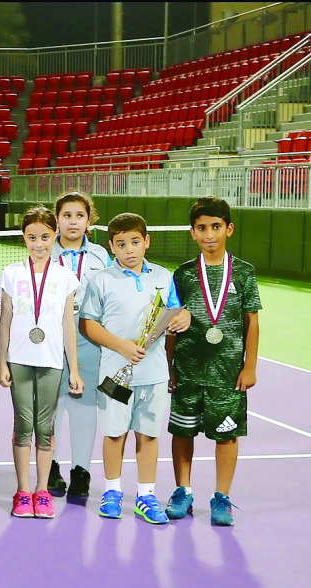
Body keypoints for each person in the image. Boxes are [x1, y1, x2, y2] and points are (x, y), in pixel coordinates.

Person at [80, 212, 190, 524]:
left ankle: (145, 495)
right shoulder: (101, 280)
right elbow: (88, 324)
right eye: (121, 244)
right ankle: (112, 491)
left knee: (148, 434)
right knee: (114, 434)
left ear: (146, 242)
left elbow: (175, 312)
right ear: (112, 247)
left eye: (135, 242)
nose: (129, 249)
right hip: (115, 374)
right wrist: (121, 345)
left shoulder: (163, 276)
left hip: (153, 375)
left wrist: (185, 319)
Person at [166, 197, 261, 526]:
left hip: (228, 372)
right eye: (202, 228)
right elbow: (170, 323)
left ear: (229, 229)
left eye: (216, 227)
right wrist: (169, 367)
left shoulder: (245, 273)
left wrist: (250, 366)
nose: (209, 234)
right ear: (193, 233)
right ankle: (183, 491)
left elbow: (252, 321)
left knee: (227, 435)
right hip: (188, 369)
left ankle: (222, 496)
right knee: (182, 432)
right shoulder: (183, 274)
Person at [0, 208, 83, 519]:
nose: (39, 243)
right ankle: (22, 491)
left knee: (44, 428)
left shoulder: (64, 277)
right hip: (18, 360)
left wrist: (73, 368)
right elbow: (5, 322)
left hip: (51, 362)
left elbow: (68, 325)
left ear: (54, 236)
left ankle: (42, 491)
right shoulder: (10, 274)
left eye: (45, 237)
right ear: (24, 238)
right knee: (23, 425)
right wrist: (1, 363)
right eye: (32, 237)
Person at [49, 191, 112, 497]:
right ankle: (50, 466)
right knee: (52, 406)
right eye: (66, 215)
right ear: (56, 219)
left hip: (89, 339)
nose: (73, 222)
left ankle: (81, 471)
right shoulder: (44, 251)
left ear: (89, 221)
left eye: (79, 216)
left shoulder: (101, 255)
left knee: (84, 406)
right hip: (50, 339)